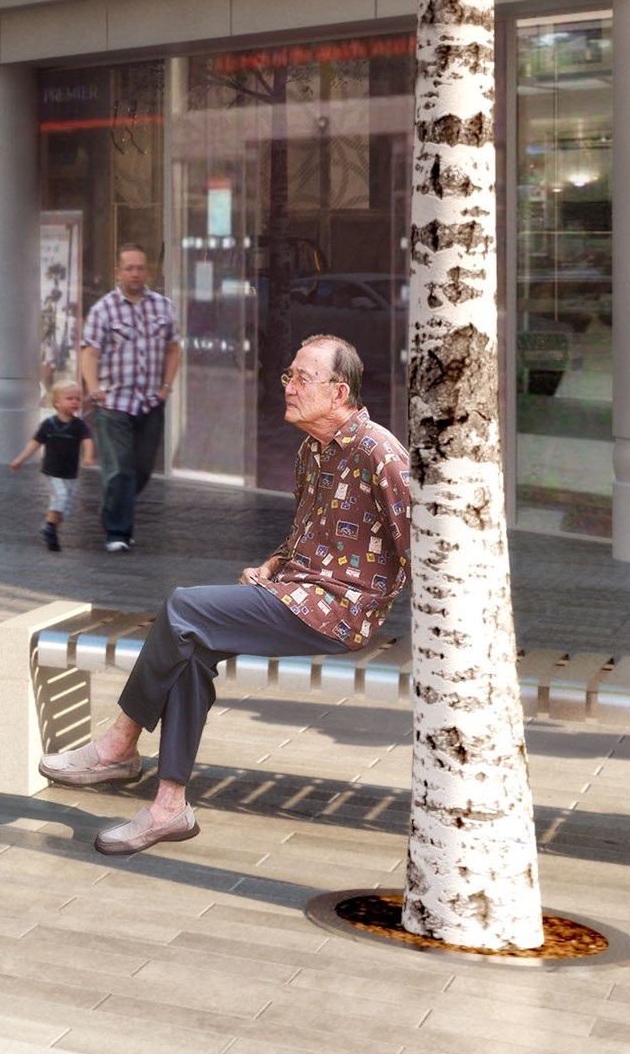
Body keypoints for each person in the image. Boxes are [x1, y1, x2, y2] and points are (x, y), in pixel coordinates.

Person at [43, 334, 412, 857]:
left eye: (302, 378)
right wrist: (274, 564)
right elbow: (309, 532)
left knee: (183, 607)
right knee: (191, 649)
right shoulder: (313, 449)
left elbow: (422, 545)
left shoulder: (380, 452)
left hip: (337, 612)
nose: (288, 387)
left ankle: (118, 746)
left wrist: (373, 602)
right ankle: (169, 809)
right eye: (289, 376)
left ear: (339, 392)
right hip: (296, 596)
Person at [80, 244, 182, 551]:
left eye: (140, 268)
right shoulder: (104, 309)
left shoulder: (163, 307)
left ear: (147, 271)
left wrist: (166, 388)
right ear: (118, 272)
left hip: (151, 402)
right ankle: (117, 534)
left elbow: (174, 348)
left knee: (141, 470)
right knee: (120, 469)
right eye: (129, 268)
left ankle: (114, 506)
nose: (135, 273)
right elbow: (90, 352)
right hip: (114, 404)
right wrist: (94, 388)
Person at [28, 377, 93, 551]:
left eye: (77, 399)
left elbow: (87, 441)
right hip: (52, 470)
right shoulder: (48, 424)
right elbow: (35, 442)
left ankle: (52, 530)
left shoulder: (79, 425)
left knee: (68, 507)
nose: (75, 402)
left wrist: (88, 456)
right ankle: (49, 526)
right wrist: (21, 459)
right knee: (61, 496)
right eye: (70, 398)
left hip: (70, 472)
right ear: (57, 402)